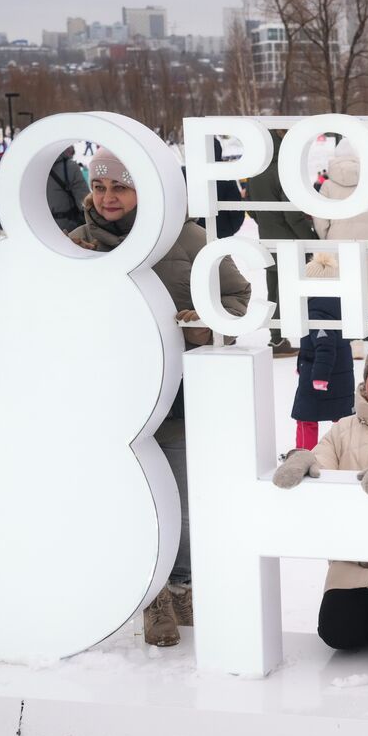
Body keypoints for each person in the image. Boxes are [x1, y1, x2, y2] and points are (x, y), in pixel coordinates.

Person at [69, 147, 251, 647]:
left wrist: (205, 326)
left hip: (175, 402)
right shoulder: (73, 246)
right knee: (132, 505)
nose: (107, 198)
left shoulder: (189, 240)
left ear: (145, 191)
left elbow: (239, 298)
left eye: (120, 188)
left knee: (182, 506)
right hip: (107, 406)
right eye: (100, 187)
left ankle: (183, 586)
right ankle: (152, 599)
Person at [272, 337, 368, 655]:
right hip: (351, 559)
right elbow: (321, 457)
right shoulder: (345, 428)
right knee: (338, 634)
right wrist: (304, 457)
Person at [312, 147, 368, 359]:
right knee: (366, 287)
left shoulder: (327, 185)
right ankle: (360, 338)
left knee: (342, 291)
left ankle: (344, 340)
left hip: (337, 243)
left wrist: (329, 236)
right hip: (367, 243)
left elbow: (320, 219)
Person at [246, 129, 315, 358]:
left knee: (273, 291)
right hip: (288, 242)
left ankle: (277, 339)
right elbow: (292, 215)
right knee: (288, 293)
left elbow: (250, 207)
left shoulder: (256, 173)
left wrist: (265, 224)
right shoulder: (283, 172)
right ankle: (282, 339)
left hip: (267, 238)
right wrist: (311, 240)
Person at [290, 253, 355, 451]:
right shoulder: (337, 305)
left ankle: (304, 453)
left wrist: (318, 377)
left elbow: (324, 345)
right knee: (342, 420)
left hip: (319, 379)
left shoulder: (315, 311)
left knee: (305, 417)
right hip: (341, 375)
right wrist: (301, 362)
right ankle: (344, 452)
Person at [45, 145, 89, 233]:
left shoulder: (28, 170)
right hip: (69, 228)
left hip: (39, 229)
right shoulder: (70, 167)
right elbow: (85, 203)